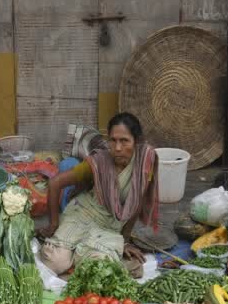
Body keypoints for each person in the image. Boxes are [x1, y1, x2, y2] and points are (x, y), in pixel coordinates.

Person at [38, 113, 159, 276]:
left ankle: (77, 256)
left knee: (100, 268)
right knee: (54, 262)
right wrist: (53, 224)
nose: (117, 148)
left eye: (124, 141)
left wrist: (125, 241)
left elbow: (136, 202)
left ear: (136, 142)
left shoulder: (144, 163)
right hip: (83, 214)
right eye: (113, 140)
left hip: (110, 226)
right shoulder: (98, 162)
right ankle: (73, 254)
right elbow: (54, 183)